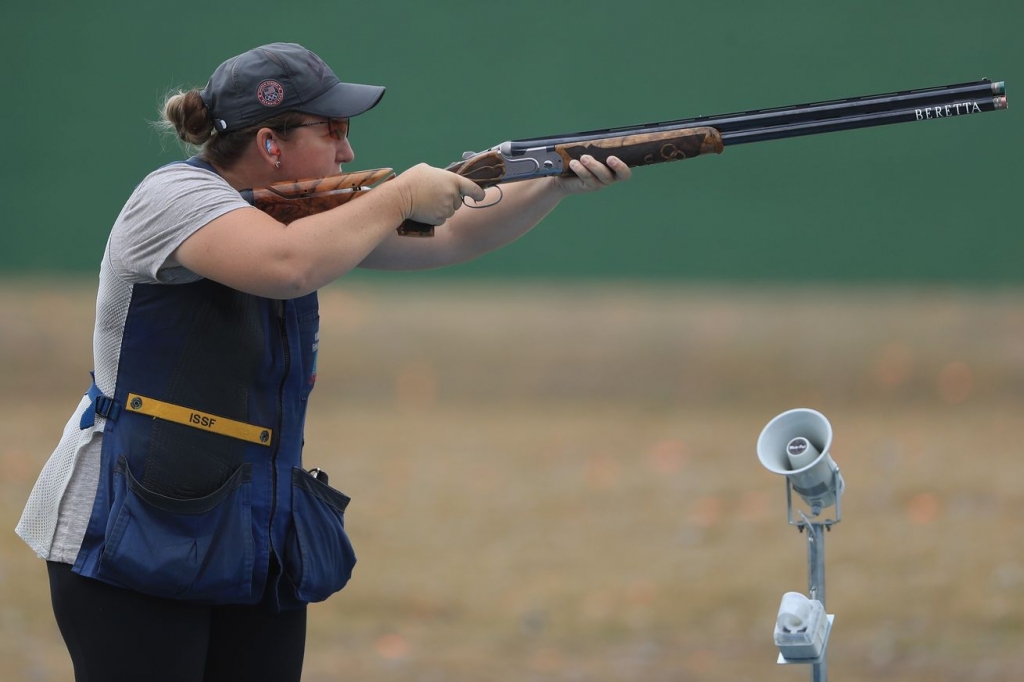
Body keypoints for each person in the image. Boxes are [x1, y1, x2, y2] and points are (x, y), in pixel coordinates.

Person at [15, 42, 630, 682]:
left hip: (255, 525)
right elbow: (287, 266)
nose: (348, 151)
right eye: (331, 129)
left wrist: (551, 181)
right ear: (270, 144)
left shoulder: (312, 214)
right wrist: (397, 196)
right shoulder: (171, 197)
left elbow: (449, 237)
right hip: (129, 522)